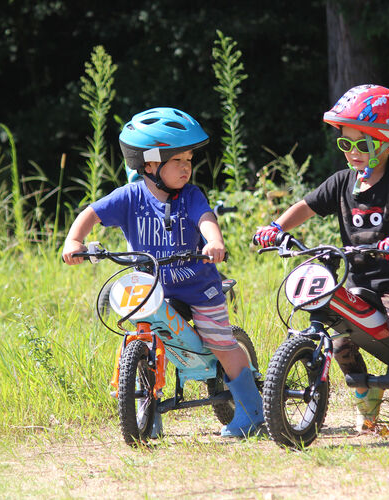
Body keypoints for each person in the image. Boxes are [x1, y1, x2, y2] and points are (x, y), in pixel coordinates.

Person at [63, 107, 264, 438]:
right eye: (178, 161)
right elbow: (91, 213)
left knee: (220, 342)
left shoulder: (190, 196)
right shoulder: (130, 197)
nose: (186, 167)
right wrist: (74, 240)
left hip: (198, 288)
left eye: (189, 160)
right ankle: (146, 413)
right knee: (145, 339)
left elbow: (206, 219)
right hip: (153, 287)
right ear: (151, 164)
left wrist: (213, 241)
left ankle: (251, 411)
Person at [254, 85, 389, 432]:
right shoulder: (341, 183)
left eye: (363, 144)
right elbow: (306, 206)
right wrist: (276, 227)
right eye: (346, 143)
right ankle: (365, 395)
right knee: (339, 337)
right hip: (358, 279)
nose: (353, 152)